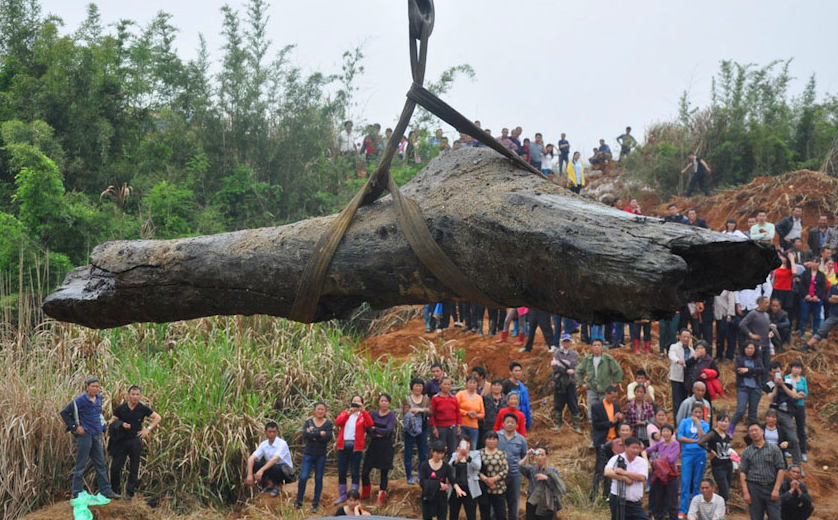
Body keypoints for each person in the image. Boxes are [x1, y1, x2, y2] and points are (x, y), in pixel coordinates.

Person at [60, 376, 119, 499]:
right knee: (81, 464)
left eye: (97, 386)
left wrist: (103, 426)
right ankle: (76, 492)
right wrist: (75, 427)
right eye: (93, 386)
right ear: (87, 387)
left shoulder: (98, 398)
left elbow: (98, 414)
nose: (95, 388)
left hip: (96, 435)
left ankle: (106, 490)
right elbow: (64, 413)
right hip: (85, 436)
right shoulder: (80, 400)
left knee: (100, 463)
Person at [108, 385, 161, 500]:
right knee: (115, 468)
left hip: (135, 440)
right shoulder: (121, 408)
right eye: (133, 394)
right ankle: (115, 492)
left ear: (140, 395)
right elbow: (112, 421)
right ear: (128, 395)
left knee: (134, 468)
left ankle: (129, 494)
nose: (135, 397)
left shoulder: (143, 408)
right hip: (121, 441)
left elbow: (157, 417)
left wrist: (148, 429)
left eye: (137, 395)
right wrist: (121, 424)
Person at [739, 422, 785, 520]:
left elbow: (781, 469)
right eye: (751, 431)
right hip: (754, 488)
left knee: (775, 517)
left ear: (762, 432)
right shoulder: (747, 452)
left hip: (771, 487)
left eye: (756, 430)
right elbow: (743, 472)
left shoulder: (774, 449)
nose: (754, 433)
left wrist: (776, 489)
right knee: (756, 517)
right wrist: (745, 492)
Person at [577, 339, 623, 435]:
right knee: (591, 413)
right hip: (592, 390)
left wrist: (615, 384)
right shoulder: (588, 359)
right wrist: (582, 384)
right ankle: (593, 436)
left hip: (605, 391)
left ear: (602, 347)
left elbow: (618, 371)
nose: (597, 347)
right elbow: (579, 371)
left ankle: (607, 434)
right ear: (591, 347)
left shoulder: (608, 359)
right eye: (594, 345)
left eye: (599, 345)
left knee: (606, 412)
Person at [334, 394, 374, 504]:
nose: (356, 403)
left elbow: (370, 423)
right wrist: (348, 413)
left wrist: (363, 411)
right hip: (343, 446)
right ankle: (342, 495)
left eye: (358, 401)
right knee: (342, 471)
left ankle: (354, 496)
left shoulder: (362, 416)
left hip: (356, 447)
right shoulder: (345, 413)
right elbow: (338, 422)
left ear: (362, 403)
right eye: (354, 401)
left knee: (355, 471)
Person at [295, 402, 333, 512]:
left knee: (318, 478)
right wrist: (319, 434)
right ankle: (299, 501)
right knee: (303, 477)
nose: (320, 411)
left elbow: (327, 438)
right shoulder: (309, 422)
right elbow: (305, 435)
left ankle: (315, 503)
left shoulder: (328, 424)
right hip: (308, 454)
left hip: (321, 455)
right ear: (314, 411)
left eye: (322, 409)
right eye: (318, 409)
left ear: (325, 411)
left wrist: (313, 435)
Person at [764, 362, 802, 467]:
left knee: (793, 438)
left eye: (778, 371)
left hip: (786, 413)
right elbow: (770, 398)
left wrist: (782, 385)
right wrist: (776, 386)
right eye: (774, 372)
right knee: (772, 437)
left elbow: (794, 395)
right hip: (774, 412)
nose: (777, 374)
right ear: (770, 373)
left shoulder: (790, 381)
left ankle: (796, 465)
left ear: (782, 371)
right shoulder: (769, 384)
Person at [604, 437, 651, 520]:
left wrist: (625, 473)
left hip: (635, 503)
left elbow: (642, 477)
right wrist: (624, 478)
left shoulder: (641, 462)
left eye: (638, 448)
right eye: (633, 448)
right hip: (617, 500)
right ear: (626, 447)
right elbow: (607, 472)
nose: (636, 451)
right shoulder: (617, 459)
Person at [361, 393, 396, 505]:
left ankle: (381, 497)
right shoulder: (373, 413)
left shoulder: (391, 415)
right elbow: (367, 428)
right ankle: (366, 493)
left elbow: (389, 430)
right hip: (374, 445)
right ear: (378, 402)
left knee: (383, 472)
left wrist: (375, 428)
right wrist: (377, 433)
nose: (384, 403)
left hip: (385, 446)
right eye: (382, 401)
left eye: (386, 401)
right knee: (365, 471)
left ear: (389, 403)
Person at [590, 387, 624, 500]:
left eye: (615, 397)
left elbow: (618, 424)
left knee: (612, 469)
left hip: (614, 441)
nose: (614, 399)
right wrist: (611, 422)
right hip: (602, 441)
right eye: (612, 396)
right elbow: (596, 425)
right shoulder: (596, 406)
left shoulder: (616, 406)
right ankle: (594, 495)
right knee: (600, 469)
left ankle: (607, 495)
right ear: (606, 394)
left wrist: (619, 420)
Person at [678, 402, 710, 518]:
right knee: (685, 482)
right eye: (695, 412)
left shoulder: (705, 424)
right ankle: (683, 509)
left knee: (697, 483)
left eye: (700, 412)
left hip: (700, 454)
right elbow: (680, 437)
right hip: (687, 454)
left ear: (703, 413)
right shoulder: (684, 422)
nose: (697, 414)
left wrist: (698, 424)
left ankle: (696, 509)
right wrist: (694, 441)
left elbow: (704, 438)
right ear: (692, 412)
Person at [245, 421, 293, 497]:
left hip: (287, 472)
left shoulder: (282, 443)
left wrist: (261, 470)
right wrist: (250, 475)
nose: (272, 434)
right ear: (265, 432)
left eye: (274, 432)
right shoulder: (264, 444)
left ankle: (278, 486)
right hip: (273, 470)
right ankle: (270, 484)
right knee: (255, 464)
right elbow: (251, 458)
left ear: (277, 432)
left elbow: (274, 460)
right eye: (270, 432)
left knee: (275, 466)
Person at [799, 264, 838, 352]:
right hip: (834, 315)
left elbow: (832, 298)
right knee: (822, 330)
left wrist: (835, 298)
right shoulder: (833, 287)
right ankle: (807, 346)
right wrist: (834, 298)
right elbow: (828, 299)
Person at [520, 447, 566, 520]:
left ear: (547, 457)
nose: (540, 457)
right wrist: (527, 455)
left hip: (546, 504)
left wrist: (547, 478)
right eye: (538, 455)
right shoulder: (531, 470)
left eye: (542, 455)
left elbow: (559, 487)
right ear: (535, 457)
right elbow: (520, 467)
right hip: (532, 503)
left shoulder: (553, 471)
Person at [645, 423, 680, 520]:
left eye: (668, 431)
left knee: (672, 503)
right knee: (659, 501)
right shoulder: (659, 444)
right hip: (659, 476)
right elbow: (645, 451)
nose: (665, 433)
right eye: (663, 431)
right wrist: (647, 461)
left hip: (671, 476)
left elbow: (671, 460)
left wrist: (656, 461)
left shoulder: (675, 444)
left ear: (671, 433)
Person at [497, 413, 528, 520]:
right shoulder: (496, 437)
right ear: (503, 423)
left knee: (514, 503)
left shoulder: (521, 439)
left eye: (512, 422)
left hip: (515, 475)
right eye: (507, 422)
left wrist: (523, 473)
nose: (510, 424)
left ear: (516, 425)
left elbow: (525, 457)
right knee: (497, 502)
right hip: (498, 476)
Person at [730, 341, 765, 436]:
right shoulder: (739, 358)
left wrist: (748, 370)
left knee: (753, 413)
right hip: (743, 387)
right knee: (741, 410)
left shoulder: (757, 359)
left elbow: (762, 370)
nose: (749, 350)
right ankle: (730, 430)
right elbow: (738, 371)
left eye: (751, 348)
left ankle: (751, 433)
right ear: (744, 349)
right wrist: (753, 373)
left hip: (756, 388)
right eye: (747, 348)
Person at [698, 413, 733, 503]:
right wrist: (710, 450)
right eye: (721, 421)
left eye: (726, 421)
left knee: (725, 491)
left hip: (728, 465)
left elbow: (726, 450)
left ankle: (719, 512)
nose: (724, 423)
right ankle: (719, 513)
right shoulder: (713, 433)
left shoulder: (727, 436)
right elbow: (701, 442)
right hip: (718, 467)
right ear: (717, 422)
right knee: (724, 493)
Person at [551, 333, 582, 433]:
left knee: (573, 402)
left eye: (568, 341)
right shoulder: (557, 353)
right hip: (559, 381)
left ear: (571, 343)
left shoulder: (574, 354)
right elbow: (555, 367)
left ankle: (576, 426)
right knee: (558, 403)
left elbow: (573, 366)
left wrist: (560, 364)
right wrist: (565, 368)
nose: (566, 343)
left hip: (570, 382)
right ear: (561, 342)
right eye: (564, 341)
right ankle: (558, 424)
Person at [404, 378, 431, 484]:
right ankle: (409, 476)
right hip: (409, 429)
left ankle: (421, 475)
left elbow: (431, 411)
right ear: (412, 387)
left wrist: (419, 409)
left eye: (420, 386)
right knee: (408, 453)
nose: (418, 388)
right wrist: (415, 410)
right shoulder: (407, 398)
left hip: (423, 429)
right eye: (416, 385)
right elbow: (405, 411)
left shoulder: (426, 399)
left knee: (423, 453)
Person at [448, 436, 482, 520]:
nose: (465, 445)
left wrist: (467, 456)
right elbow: (448, 468)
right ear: (458, 446)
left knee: (471, 515)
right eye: (463, 443)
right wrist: (456, 460)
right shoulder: (455, 454)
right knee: (453, 514)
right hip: (456, 488)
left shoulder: (475, 454)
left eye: (467, 443)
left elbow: (478, 466)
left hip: (470, 489)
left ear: (470, 444)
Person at [477, 431, 509, 520]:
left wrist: (494, 479)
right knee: (485, 515)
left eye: (493, 439)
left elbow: (505, 470)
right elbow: (475, 470)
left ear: (497, 441)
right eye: (489, 439)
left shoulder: (501, 454)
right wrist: (486, 480)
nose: (491, 441)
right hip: (484, 489)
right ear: (485, 440)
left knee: (501, 515)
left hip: (498, 488)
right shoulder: (479, 453)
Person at [419, 441, 454, 520]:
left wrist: (447, 486)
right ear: (432, 452)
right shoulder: (425, 465)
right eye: (437, 453)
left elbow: (451, 480)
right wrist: (438, 484)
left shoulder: (446, 466)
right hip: (428, 497)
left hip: (441, 498)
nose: (440, 456)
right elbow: (422, 482)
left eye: (442, 453)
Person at [739, 296, 773, 374]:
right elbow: (742, 324)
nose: (768, 305)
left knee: (767, 366)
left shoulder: (766, 315)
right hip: (757, 345)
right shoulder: (753, 313)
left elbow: (767, 327)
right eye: (766, 303)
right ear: (760, 303)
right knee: (758, 366)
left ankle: (764, 384)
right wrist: (751, 335)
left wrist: (771, 332)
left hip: (766, 344)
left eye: (768, 303)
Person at [784, 360, 809, 462]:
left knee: (801, 429)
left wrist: (796, 396)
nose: (797, 370)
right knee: (787, 427)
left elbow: (806, 393)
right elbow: (786, 393)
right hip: (789, 406)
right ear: (791, 368)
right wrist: (797, 395)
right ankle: (786, 449)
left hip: (800, 406)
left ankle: (803, 452)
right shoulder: (786, 378)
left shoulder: (803, 379)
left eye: (799, 368)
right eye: (795, 367)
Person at [431, 377, 461, 456]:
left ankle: (452, 467)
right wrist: (434, 428)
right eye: (445, 384)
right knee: (440, 449)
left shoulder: (454, 398)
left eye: (449, 384)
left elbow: (458, 413)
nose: (447, 386)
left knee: (453, 450)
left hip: (453, 427)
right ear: (440, 385)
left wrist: (458, 426)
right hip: (441, 428)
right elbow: (432, 414)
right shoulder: (435, 398)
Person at [684, 341, 720, 406]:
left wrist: (708, 375)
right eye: (697, 348)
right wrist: (693, 358)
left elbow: (717, 373)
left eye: (701, 348)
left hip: (705, 388)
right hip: (693, 387)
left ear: (705, 350)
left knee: (705, 406)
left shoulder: (709, 360)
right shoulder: (693, 359)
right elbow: (686, 365)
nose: (699, 350)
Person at [797, 261, 826, 340]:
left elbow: (823, 287)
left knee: (817, 317)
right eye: (813, 262)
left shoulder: (821, 275)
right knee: (804, 316)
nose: (814, 264)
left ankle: (815, 334)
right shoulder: (805, 273)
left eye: (817, 262)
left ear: (819, 264)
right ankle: (802, 333)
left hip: (816, 299)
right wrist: (806, 295)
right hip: (806, 298)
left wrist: (817, 296)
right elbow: (801, 285)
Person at [669, 329, 694, 416]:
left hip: (687, 379)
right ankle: (677, 424)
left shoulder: (691, 350)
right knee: (677, 402)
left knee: (685, 402)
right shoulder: (674, 347)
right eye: (684, 337)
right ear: (679, 337)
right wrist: (678, 361)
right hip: (676, 378)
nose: (686, 339)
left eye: (688, 337)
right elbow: (671, 356)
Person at [501, 362, 532, 432]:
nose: (518, 373)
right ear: (510, 372)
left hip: (520, 414)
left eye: (519, 371)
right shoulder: (506, 384)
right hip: (509, 415)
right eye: (516, 371)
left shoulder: (521, 386)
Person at [456, 376, 486, 448]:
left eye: (474, 383)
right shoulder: (461, 394)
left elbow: (482, 414)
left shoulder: (479, 398)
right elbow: (455, 408)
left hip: (474, 427)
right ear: (466, 384)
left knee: (473, 447)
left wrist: (476, 415)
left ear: (477, 384)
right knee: (463, 447)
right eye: (470, 382)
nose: (472, 384)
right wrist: (466, 413)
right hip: (462, 425)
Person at [713, 289, 737, 362]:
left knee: (730, 337)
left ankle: (729, 356)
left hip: (726, 316)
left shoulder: (729, 289)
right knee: (719, 338)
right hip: (718, 316)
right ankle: (719, 355)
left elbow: (731, 302)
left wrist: (729, 315)